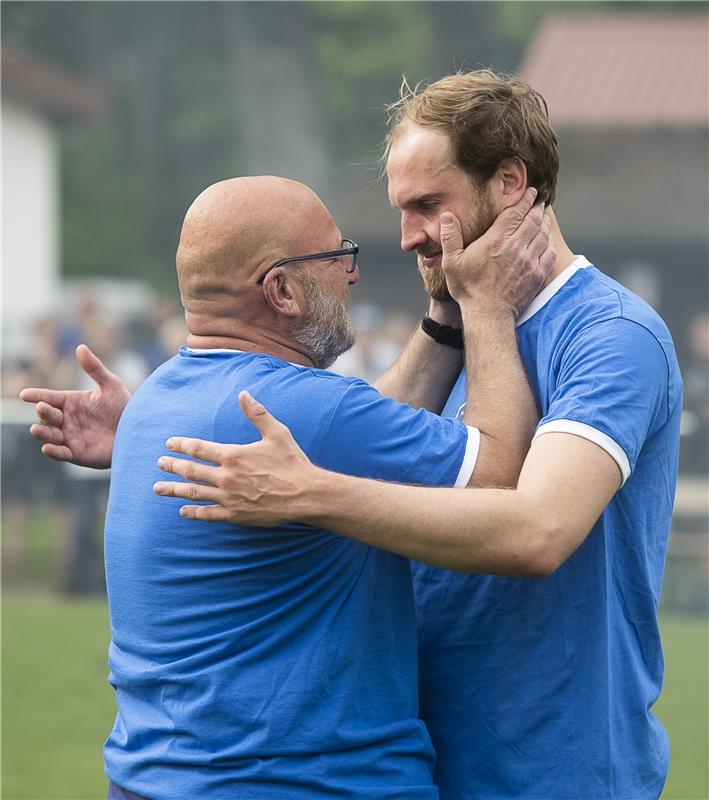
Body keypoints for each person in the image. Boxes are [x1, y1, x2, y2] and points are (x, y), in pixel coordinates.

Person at [150, 72, 683, 800]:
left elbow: (537, 533)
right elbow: (333, 437)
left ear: (509, 182)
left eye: (428, 206)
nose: (405, 237)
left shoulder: (610, 336)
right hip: (422, 758)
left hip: (553, 768)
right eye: (401, 209)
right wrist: (140, 428)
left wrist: (311, 496)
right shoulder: (458, 321)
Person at [22, 174, 552, 799]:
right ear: (282, 290)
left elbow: (360, 434)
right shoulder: (304, 409)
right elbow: (496, 472)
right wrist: (488, 303)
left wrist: (443, 314)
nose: (350, 275)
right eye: (336, 257)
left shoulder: (161, 398)